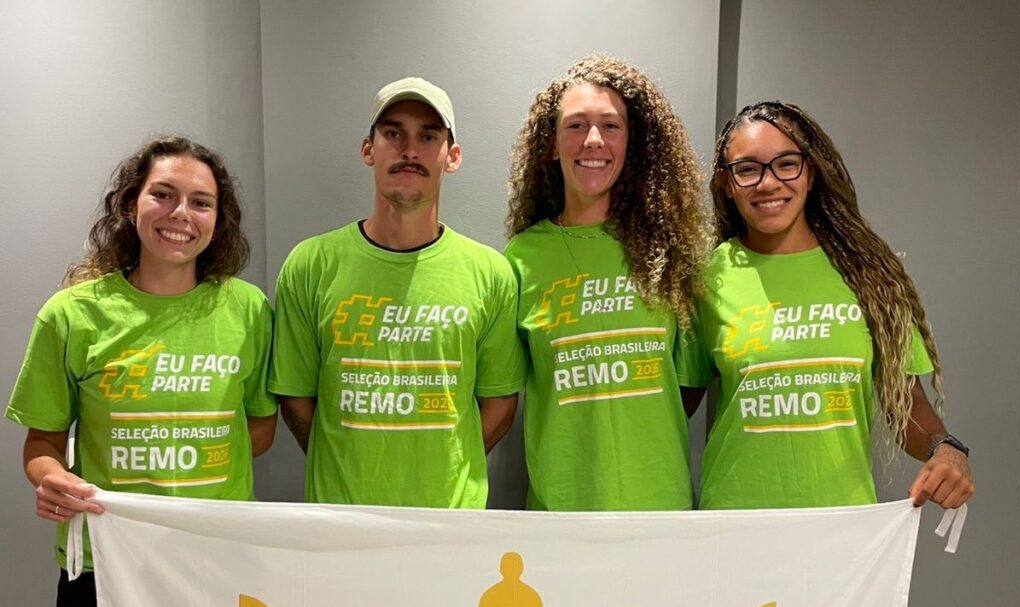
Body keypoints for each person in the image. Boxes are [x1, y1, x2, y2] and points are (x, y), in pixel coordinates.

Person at [5, 135, 277, 605]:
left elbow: (260, 426)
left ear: (218, 220)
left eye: (201, 202)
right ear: (132, 205)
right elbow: (42, 443)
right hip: (107, 557)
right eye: (163, 194)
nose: (181, 214)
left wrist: (182, 459)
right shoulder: (71, 314)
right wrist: (51, 477)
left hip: (219, 552)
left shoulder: (249, 309)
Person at [679, 101, 975, 510]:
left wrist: (946, 450)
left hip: (841, 527)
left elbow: (908, 405)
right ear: (727, 183)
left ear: (811, 171)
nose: (768, 183)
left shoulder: (870, 277)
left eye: (786, 164)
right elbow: (670, 411)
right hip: (735, 523)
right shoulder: (707, 279)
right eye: (748, 169)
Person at [271, 77, 526, 507]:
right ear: (368, 149)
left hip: (451, 521)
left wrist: (442, 463)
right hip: (342, 520)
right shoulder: (310, 265)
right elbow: (296, 399)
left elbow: (500, 403)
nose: (410, 150)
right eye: (393, 133)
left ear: (452, 157)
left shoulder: (491, 273)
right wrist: (347, 461)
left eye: (428, 136)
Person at [504, 56, 711, 511]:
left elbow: (687, 388)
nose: (593, 140)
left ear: (631, 144)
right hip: (559, 512)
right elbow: (503, 390)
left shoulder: (671, 253)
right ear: (551, 146)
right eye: (576, 125)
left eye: (610, 126)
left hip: (659, 508)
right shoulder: (521, 258)